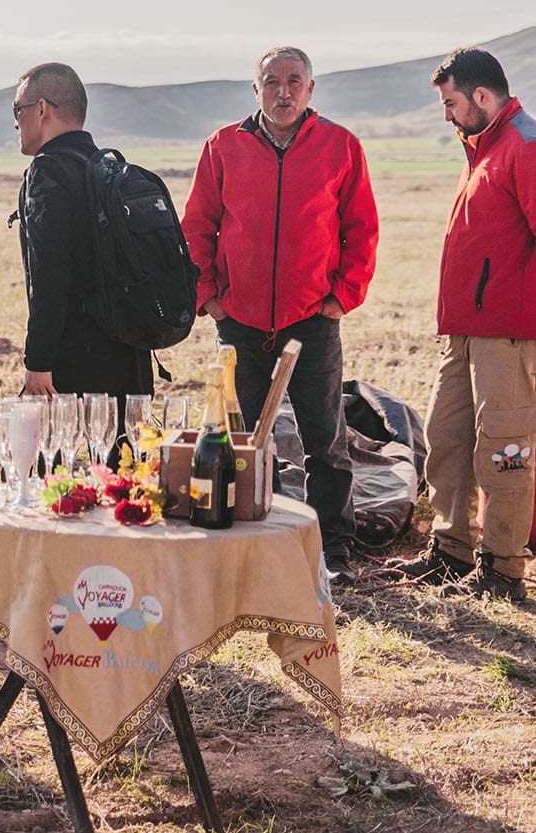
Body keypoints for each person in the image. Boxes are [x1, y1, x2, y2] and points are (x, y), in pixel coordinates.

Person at [180, 47, 379, 587]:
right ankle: (236, 542)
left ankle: (332, 552)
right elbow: (197, 227)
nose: (283, 91)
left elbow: (360, 228)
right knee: (236, 438)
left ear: (311, 90)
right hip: (239, 321)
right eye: (272, 81)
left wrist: (342, 297)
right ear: (256, 90)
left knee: (325, 441)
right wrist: (210, 298)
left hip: (312, 319)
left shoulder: (340, 146)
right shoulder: (224, 146)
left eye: (295, 81)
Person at [386, 48, 536, 602]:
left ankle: (503, 569)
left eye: (450, 103)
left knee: (504, 450)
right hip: (465, 332)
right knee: (445, 439)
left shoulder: (524, 144)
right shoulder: (483, 148)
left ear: (479, 96)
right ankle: (451, 552)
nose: (446, 116)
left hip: (510, 335)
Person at [14, 63, 152, 399]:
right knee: (127, 452)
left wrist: (39, 361)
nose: (16, 122)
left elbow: (50, 275)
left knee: (77, 453)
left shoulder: (49, 171)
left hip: (78, 361)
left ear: (42, 109)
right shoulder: (108, 166)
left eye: (18, 109)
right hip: (131, 353)